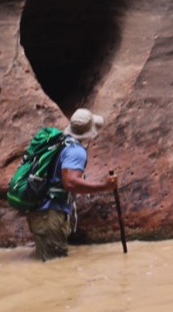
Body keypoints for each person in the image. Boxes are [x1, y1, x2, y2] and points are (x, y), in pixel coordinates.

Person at [27, 107, 118, 261]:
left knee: (47, 264)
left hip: (40, 211)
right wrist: (105, 186)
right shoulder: (76, 151)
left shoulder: (60, 143)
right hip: (50, 215)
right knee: (55, 268)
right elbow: (70, 182)